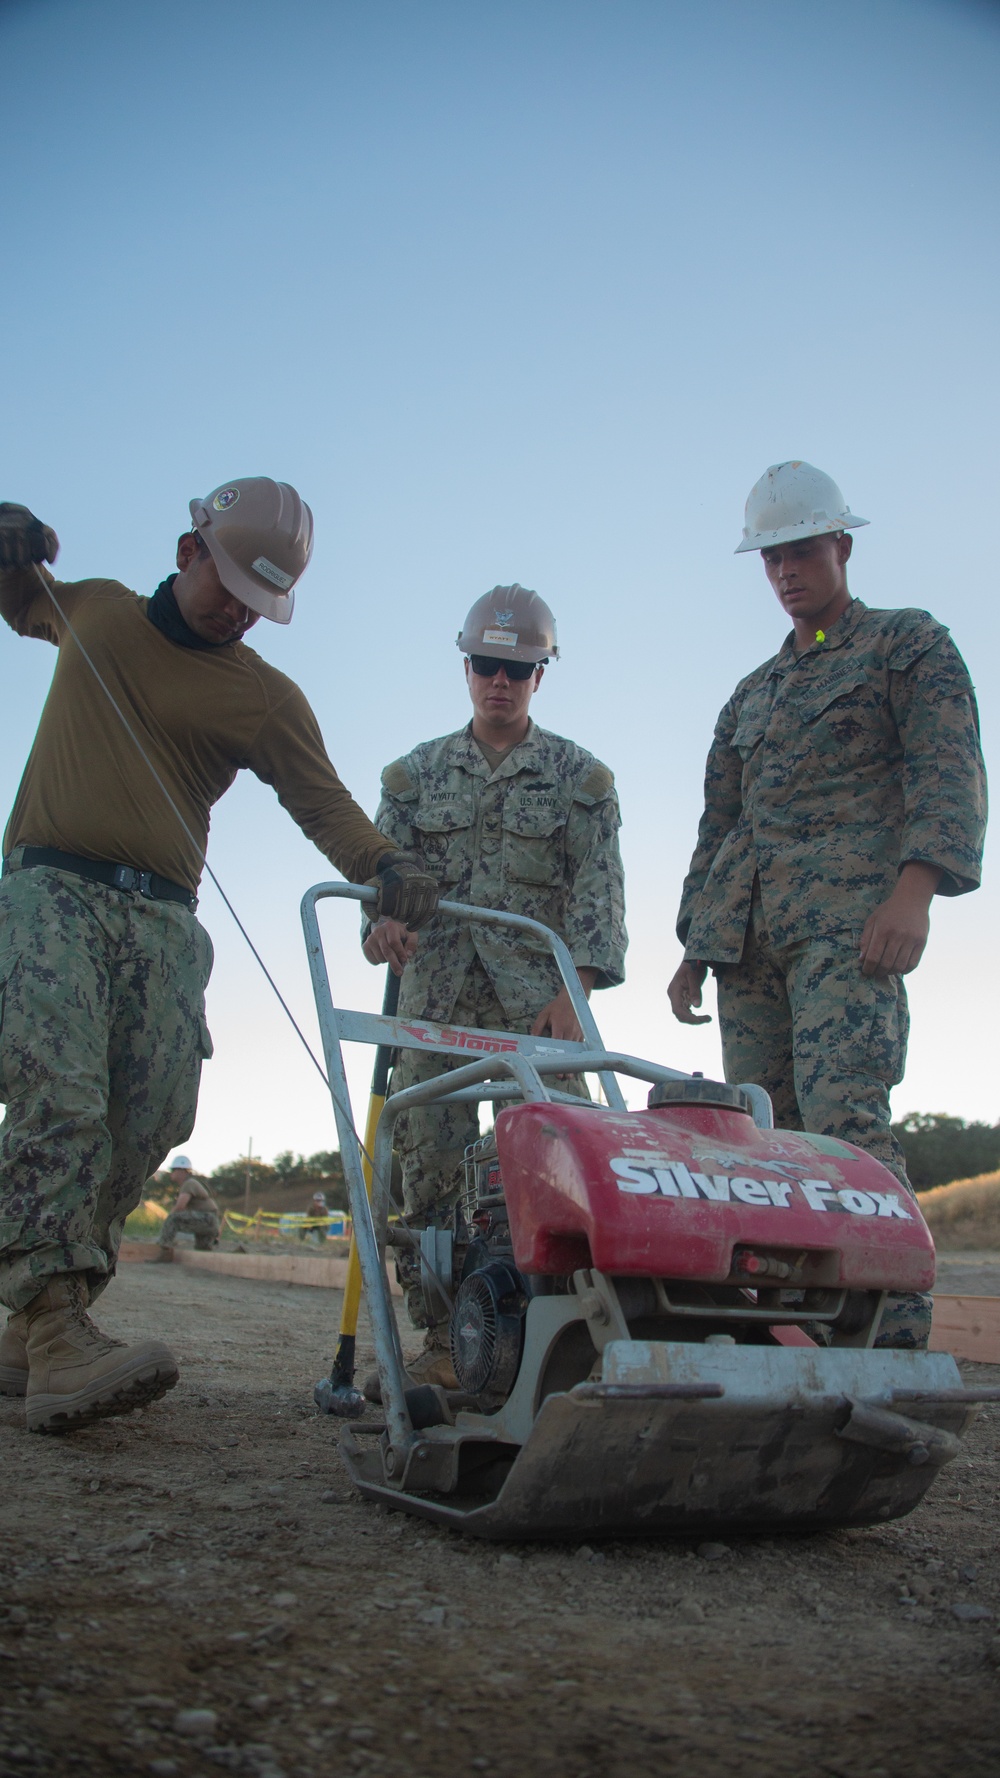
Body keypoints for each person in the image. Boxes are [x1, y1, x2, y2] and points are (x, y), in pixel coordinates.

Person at [0, 483, 438, 1432]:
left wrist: (387, 862)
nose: (238, 609)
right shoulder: (97, 611)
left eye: (259, 599)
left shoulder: (266, 697)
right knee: (57, 1092)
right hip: (49, 891)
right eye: (230, 582)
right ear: (190, 548)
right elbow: (9, 588)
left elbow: (323, 804)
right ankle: (54, 1323)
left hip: (162, 920)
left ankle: (34, 1323)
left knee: (152, 1112)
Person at [667, 461, 987, 1347]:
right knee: (759, 1150)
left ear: (842, 545)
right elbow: (721, 822)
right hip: (752, 949)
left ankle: (890, 1335)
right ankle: (790, 1337)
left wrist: (915, 894)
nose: (786, 571)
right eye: (771, 558)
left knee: (846, 1130)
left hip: (851, 933)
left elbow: (947, 770)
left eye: (802, 550)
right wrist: (697, 944)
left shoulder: (906, 645)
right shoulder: (751, 694)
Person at [362, 584, 627, 1390]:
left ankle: (551, 1344)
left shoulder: (581, 779)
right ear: (466, 666)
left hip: (533, 1011)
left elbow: (599, 889)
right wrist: (381, 925)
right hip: (434, 1004)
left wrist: (576, 984)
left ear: (541, 674)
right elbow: (381, 877)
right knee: (428, 1173)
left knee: (553, 1170)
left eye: (517, 668)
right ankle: (444, 1343)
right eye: (485, 665)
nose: (499, 682)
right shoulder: (414, 777)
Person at [156, 1155, 221, 1255]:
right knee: (202, 1250)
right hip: (210, 1221)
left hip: (206, 1218)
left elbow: (180, 1207)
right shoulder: (190, 1184)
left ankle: (164, 1250)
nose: (171, 1173)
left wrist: (167, 1220)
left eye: (173, 1170)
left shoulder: (189, 1184)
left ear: (182, 1171)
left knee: (173, 1219)